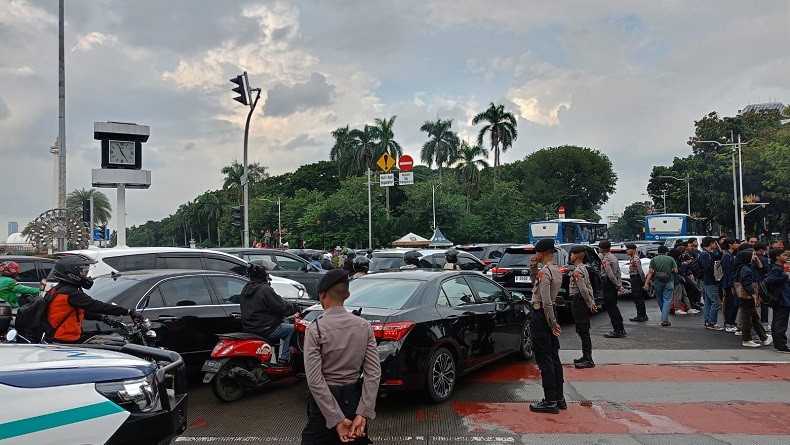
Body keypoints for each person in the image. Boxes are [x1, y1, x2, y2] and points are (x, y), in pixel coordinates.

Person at [301, 269, 381, 444]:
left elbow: (315, 380)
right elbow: (373, 373)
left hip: (324, 404)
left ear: (322, 295)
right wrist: (363, 412)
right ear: (348, 295)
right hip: (354, 400)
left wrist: (335, 418)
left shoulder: (316, 329)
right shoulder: (364, 326)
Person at [47, 256, 142, 343]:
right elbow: (96, 306)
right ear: (71, 273)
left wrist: (102, 318)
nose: (85, 275)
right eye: (82, 271)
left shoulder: (57, 289)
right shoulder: (70, 293)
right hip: (63, 341)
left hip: (58, 338)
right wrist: (128, 312)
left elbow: (79, 311)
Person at [240, 259, 300, 367]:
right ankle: (284, 359)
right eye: (266, 270)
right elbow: (281, 306)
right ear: (261, 272)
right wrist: (295, 308)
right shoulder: (264, 289)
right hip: (265, 328)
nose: (268, 273)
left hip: (251, 327)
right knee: (292, 329)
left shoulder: (246, 288)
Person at [528, 239, 565, 414]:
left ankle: (549, 400)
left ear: (541, 253)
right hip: (549, 315)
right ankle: (559, 397)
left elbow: (546, 302)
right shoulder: (556, 270)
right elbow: (538, 287)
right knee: (554, 357)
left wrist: (552, 323)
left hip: (542, 316)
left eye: (536, 253)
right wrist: (533, 268)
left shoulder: (545, 271)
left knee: (544, 359)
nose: (535, 256)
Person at [734, 249, 771, 348]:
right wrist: (754, 295)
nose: (754, 257)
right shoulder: (746, 269)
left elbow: (760, 267)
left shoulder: (740, 267)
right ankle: (747, 339)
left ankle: (764, 338)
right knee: (747, 319)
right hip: (747, 297)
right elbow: (747, 284)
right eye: (753, 255)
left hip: (743, 296)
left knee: (754, 318)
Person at [568, 245, 597, 369]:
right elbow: (588, 286)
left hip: (579, 302)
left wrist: (589, 302)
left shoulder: (577, 271)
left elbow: (583, 288)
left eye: (571, 254)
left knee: (583, 331)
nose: (570, 256)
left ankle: (588, 358)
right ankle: (586, 356)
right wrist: (592, 301)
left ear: (575, 256)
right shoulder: (583, 268)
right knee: (583, 330)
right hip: (582, 301)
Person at [644, 246, 679, 327]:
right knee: (667, 300)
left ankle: (664, 315)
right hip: (668, 281)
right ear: (666, 251)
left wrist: (646, 283)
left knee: (660, 299)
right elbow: (676, 270)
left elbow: (650, 272)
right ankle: (664, 319)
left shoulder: (653, 259)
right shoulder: (670, 259)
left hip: (657, 281)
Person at [599, 240, 626, 338]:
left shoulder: (606, 259)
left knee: (611, 308)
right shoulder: (614, 257)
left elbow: (609, 274)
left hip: (608, 284)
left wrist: (617, 284)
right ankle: (620, 329)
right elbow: (618, 272)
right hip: (613, 284)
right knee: (614, 306)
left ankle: (617, 330)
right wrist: (619, 284)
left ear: (602, 248)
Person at [764, 249, 790, 353]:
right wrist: (784, 277)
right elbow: (769, 280)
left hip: (781, 298)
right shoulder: (777, 269)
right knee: (781, 322)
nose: (786, 257)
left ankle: (779, 344)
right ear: (777, 257)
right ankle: (781, 345)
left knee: (777, 321)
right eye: (783, 255)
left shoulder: (778, 268)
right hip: (782, 299)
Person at [699, 237, 723, 330]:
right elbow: (708, 267)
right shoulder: (705, 255)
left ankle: (708, 321)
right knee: (716, 302)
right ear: (711, 243)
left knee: (708, 301)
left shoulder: (709, 254)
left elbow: (718, 256)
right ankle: (712, 322)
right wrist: (715, 270)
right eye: (714, 243)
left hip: (707, 280)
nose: (716, 245)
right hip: (709, 280)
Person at [720, 239, 740, 332]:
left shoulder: (729, 255)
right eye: (735, 243)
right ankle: (729, 323)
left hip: (729, 282)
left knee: (732, 304)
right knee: (731, 304)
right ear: (730, 245)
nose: (737, 245)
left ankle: (731, 322)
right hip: (729, 283)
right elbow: (728, 271)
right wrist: (731, 285)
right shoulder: (727, 256)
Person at [625, 244, 648, 322]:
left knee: (637, 297)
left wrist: (644, 282)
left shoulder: (635, 259)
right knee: (638, 297)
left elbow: (640, 271)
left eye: (628, 249)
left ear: (634, 250)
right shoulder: (632, 258)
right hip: (634, 278)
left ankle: (641, 315)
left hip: (636, 278)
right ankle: (643, 315)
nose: (627, 251)